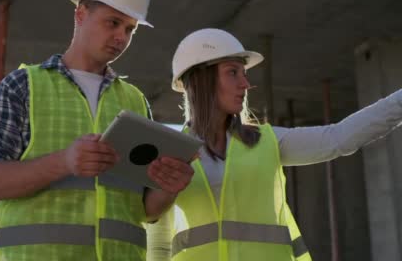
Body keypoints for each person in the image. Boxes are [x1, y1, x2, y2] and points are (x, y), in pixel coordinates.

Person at [0, 0, 193, 261]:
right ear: (80, 13)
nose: (121, 37)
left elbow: (144, 209)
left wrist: (169, 189)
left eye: (130, 29)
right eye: (113, 22)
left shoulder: (135, 101)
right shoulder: (22, 86)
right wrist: (65, 161)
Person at [151, 28, 402, 261]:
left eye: (244, 74)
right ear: (201, 80)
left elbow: (338, 138)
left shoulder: (266, 141)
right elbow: (156, 237)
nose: (245, 85)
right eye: (232, 72)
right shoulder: (169, 151)